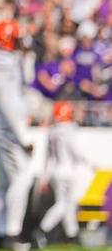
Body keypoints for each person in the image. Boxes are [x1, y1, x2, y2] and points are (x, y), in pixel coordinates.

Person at [0, 20, 34, 251]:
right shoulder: (0, 62)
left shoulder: (4, 60)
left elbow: (26, 81)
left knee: (4, 182)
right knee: (21, 178)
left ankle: (2, 234)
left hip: (5, 126)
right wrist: (23, 134)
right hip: (9, 128)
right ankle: (11, 234)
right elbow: (6, 100)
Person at [37, 101, 88, 243]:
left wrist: (45, 177)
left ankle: (73, 235)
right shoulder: (70, 129)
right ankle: (43, 229)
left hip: (56, 171)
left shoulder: (52, 132)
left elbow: (48, 158)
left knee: (68, 204)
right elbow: (76, 152)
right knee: (64, 204)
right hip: (69, 171)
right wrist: (91, 163)